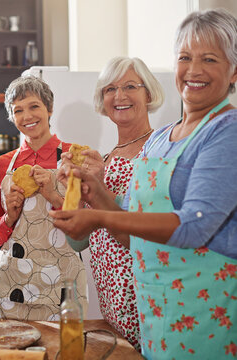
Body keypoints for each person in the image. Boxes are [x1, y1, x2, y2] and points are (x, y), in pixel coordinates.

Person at [51, 9, 237, 359]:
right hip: (157, 307)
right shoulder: (161, 140)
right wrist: (92, 189)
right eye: (185, 57)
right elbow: (127, 232)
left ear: (234, 71)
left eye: (209, 59)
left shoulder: (226, 131)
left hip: (205, 307)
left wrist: (99, 217)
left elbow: (194, 227)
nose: (194, 69)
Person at [62, 56, 164, 348]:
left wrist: (99, 185)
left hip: (147, 295)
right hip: (111, 305)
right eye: (110, 89)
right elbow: (78, 242)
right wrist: (71, 190)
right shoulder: (104, 158)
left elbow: (147, 233)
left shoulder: (158, 151)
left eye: (130, 86)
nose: (119, 96)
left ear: (148, 93)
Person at [0, 75, 87, 321]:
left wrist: (52, 195)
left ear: (49, 109)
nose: (27, 116)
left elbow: (84, 229)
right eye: (18, 110)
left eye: (34, 106)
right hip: (14, 280)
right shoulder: (2, 164)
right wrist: (9, 217)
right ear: (12, 117)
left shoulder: (74, 157)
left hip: (64, 278)